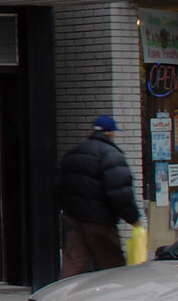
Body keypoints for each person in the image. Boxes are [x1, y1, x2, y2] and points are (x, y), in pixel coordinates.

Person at [57, 114, 143, 276]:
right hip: (101, 221)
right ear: (110, 133)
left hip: (75, 218)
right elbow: (120, 193)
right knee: (112, 263)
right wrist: (133, 219)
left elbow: (60, 187)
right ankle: (115, 297)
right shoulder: (111, 155)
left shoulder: (73, 154)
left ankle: (62, 295)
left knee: (73, 261)